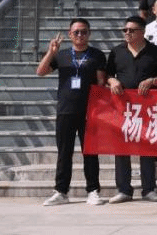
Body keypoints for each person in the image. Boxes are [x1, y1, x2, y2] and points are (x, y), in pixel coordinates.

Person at [37, 18, 107, 207]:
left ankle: (93, 190)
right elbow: (40, 72)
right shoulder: (61, 55)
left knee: (90, 152)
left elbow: (101, 82)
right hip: (66, 109)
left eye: (84, 32)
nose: (80, 35)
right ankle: (61, 191)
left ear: (89, 34)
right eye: (76, 32)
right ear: (70, 34)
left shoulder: (97, 55)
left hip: (89, 110)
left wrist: (99, 108)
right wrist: (51, 53)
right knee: (64, 152)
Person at [106, 16, 157, 203]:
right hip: (123, 107)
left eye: (131, 30)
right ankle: (124, 190)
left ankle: (149, 189)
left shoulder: (155, 52)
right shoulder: (117, 52)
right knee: (121, 147)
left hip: (148, 107)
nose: (127, 33)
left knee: (147, 147)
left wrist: (152, 81)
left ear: (142, 32)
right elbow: (107, 74)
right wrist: (112, 81)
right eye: (125, 30)